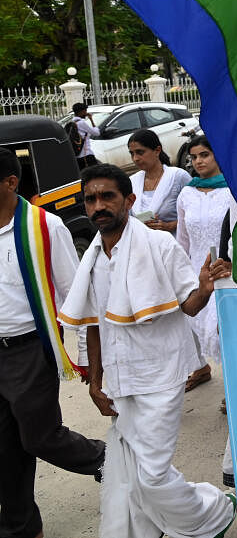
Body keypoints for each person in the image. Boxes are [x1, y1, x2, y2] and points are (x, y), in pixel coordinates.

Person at [60, 164, 236, 538]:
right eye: (90, 199)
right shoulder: (92, 257)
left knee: (152, 475)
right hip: (120, 380)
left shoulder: (159, 245)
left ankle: (213, 512)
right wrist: (95, 380)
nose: (98, 206)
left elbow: (189, 305)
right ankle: (147, 530)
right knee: (131, 469)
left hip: (162, 374)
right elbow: (93, 322)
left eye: (107, 196)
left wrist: (204, 288)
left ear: (129, 200)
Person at [0, 148, 106, 538]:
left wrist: (85, 362)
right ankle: (21, 528)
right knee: (5, 450)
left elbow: (76, 297)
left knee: (40, 436)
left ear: (11, 183)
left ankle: (107, 459)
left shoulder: (45, 228)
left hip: (30, 349)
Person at [175, 135, 233, 391]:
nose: (198, 161)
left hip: (228, 269)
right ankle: (205, 370)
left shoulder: (233, 189)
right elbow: (182, 238)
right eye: (194, 157)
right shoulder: (187, 193)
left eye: (204, 155)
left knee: (226, 331)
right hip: (197, 272)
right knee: (198, 325)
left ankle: (234, 391)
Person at [127, 129, 191, 234]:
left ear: (157, 150)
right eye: (132, 154)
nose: (135, 159)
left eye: (140, 152)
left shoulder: (178, 176)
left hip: (175, 243)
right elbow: (126, 219)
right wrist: (139, 224)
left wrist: (170, 225)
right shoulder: (132, 182)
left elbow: (196, 213)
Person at [70, 102, 100, 168]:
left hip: (77, 156)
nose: (86, 113)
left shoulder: (72, 123)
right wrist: (91, 119)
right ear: (81, 111)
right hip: (86, 155)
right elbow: (97, 133)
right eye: (85, 111)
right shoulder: (81, 123)